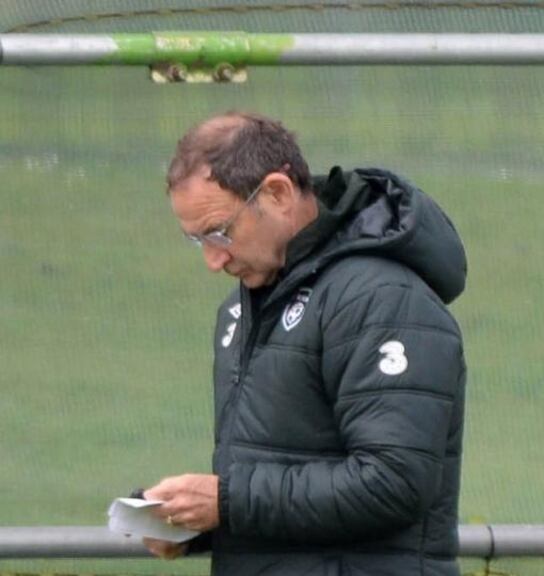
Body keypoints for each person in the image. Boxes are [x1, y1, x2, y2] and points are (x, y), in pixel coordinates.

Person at [141, 111, 467, 575]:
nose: (213, 260)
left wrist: (227, 502)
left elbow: (392, 484)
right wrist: (195, 520)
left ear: (277, 192)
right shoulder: (243, 307)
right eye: (197, 241)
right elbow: (283, 477)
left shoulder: (381, 298)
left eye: (219, 232)